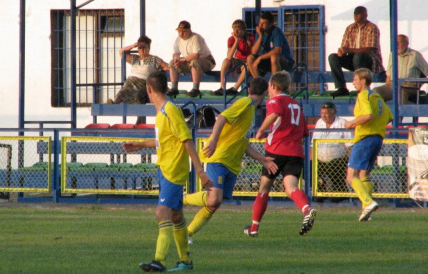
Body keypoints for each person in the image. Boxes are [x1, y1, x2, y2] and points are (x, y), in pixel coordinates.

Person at [123, 71, 213, 272]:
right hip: (164, 169)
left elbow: (186, 139)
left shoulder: (170, 110)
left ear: (149, 90)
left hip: (173, 171)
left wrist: (200, 172)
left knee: (161, 212)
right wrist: (139, 145)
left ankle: (158, 260)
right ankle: (186, 262)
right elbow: (164, 140)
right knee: (176, 217)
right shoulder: (162, 111)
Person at [183, 77, 278, 243]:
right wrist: (213, 140)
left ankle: (187, 233)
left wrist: (262, 159)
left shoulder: (250, 110)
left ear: (249, 89)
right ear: (265, 92)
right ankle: (180, 199)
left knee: (214, 204)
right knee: (214, 198)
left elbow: (243, 143)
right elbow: (221, 118)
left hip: (232, 163)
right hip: (220, 156)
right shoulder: (245, 103)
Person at [244, 71, 316, 237]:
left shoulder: (275, 100)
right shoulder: (296, 105)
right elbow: (305, 132)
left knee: (264, 187)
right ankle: (307, 209)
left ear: (274, 86)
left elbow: (275, 113)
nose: (268, 90)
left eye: (269, 86)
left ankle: (254, 228)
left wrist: (261, 129)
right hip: (296, 152)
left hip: (276, 150)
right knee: (291, 188)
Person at [344, 68, 392, 221]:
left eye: (355, 79)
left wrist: (352, 122)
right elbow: (389, 117)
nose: (353, 82)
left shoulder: (363, 95)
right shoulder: (377, 97)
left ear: (363, 81)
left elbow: (368, 115)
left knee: (351, 176)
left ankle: (368, 202)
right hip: (377, 138)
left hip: (365, 138)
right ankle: (367, 211)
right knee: (364, 174)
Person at [328, 6, 385, 97]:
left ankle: (361, 88)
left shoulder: (372, 27)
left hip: (369, 61)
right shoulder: (350, 28)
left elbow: (369, 49)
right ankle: (341, 88)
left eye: (359, 14)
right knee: (332, 57)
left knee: (358, 56)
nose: (356, 16)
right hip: (354, 60)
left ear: (365, 15)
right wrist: (341, 52)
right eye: (355, 14)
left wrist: (349, 50)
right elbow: (344, 46)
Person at [108, 35, 169, 105]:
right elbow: (121, 52)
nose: (142, 49)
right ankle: (115, 103)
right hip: (130, 82)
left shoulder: (154, 59)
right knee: (123, 91)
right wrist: (133, 46)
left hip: (144, 83)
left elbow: (166, 67)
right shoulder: (135, 58)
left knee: (137, 93)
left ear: (148, 48)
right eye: (140, 47)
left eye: (144, 47)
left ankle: (139, 114)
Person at [311, 102, 353, 197]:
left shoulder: (342, 123)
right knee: (306, 169)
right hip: (320, 160)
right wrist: (312, 159)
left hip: (338, 160)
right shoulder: (319, 123)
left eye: (326, 113)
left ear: (333, 112)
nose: (324, 116)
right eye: (322, 113)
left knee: (334, 170)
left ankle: (341, 192)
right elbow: (312, 145)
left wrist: (350, 164)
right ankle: (321, 190)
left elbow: (350, 146)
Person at [373, 34, 428, 104]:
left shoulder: (415, 55)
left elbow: (426, 72)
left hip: (408, 86)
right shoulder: (392, 55)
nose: (396, 45)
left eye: (399, 42)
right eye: (395, 42)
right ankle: (380, 113)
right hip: (392, 85)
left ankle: (399, 114)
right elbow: (389, 75)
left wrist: (419, 84)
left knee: (400, 92)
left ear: (406, 43)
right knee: (375, 91)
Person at [167, 20, 216, 98]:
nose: (181, 34)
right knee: (172, 63)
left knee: (194, 62)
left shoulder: (196, 38)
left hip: (206, 60)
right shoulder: (178, 40)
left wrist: (182, 60)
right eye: (179, 31)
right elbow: (176, 53)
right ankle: (174, 88)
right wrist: (176, 61)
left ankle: (195, 88)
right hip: (188, 61)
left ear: (189, 31)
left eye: (184, 32)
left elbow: (196, 55)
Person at [212, 19, 254, 96]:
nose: (237, 31)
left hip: (248, 61)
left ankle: (235, 88)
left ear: (243, 30)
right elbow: (229, 56)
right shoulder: (231, 39)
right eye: (235, 29)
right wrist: (236, 40)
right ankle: (222, 87)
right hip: (237, 60)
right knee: (226, 61)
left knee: (247, 67)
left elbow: (253, 51)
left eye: (239, 29)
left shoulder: (250, 37)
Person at [246, 12, 294, 78]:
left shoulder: (276, 31)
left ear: (271, 24)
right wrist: (260, 36)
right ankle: (259, 83)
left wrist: (260, 57)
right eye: (260, 22)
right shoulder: (260, 32)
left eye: (264, 23)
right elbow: (254, 52)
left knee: (274, 57)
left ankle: (275, 82)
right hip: (269, 60)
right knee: (250, 58)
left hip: (284, 60)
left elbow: (277, 50)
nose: (261, 25)